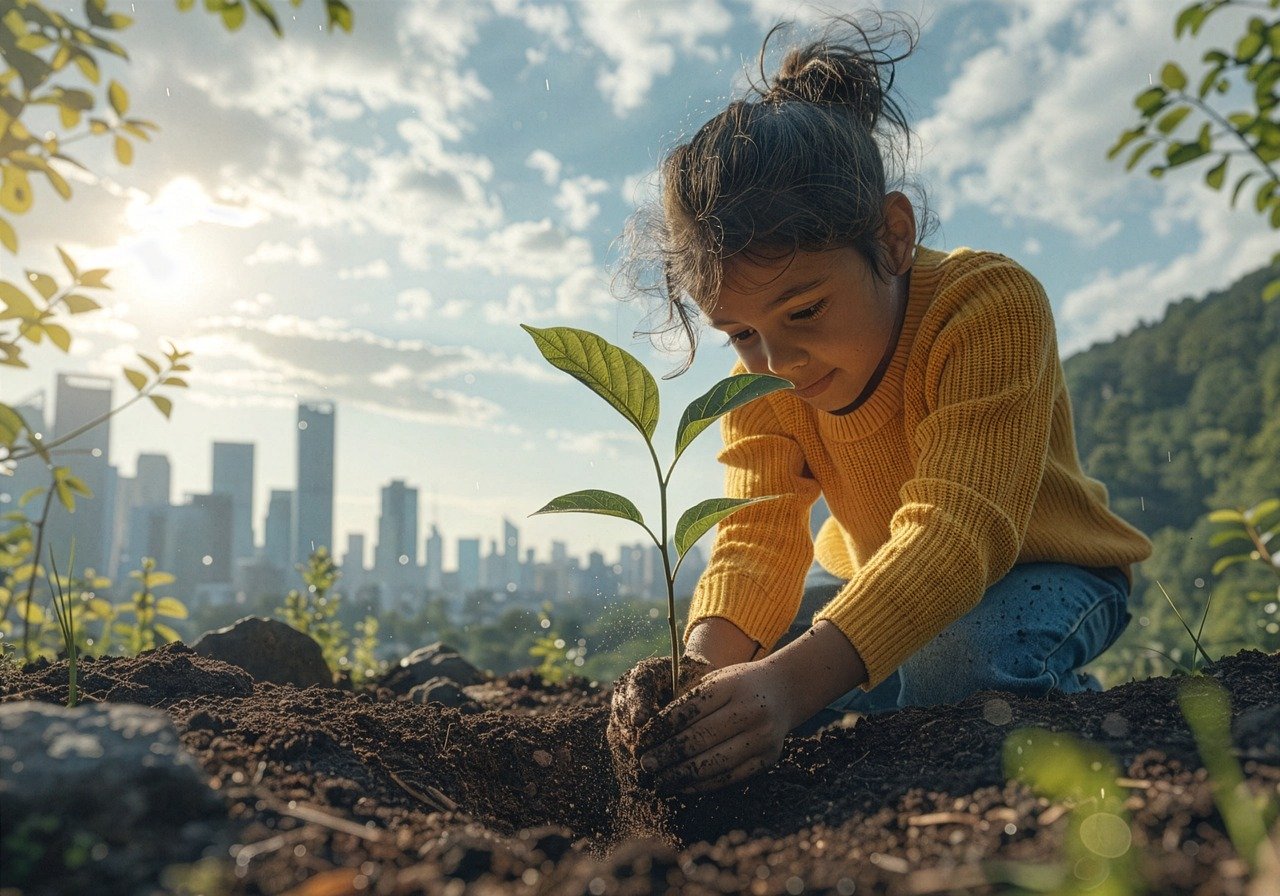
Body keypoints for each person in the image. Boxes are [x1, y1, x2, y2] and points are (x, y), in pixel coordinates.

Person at [611, 16, 1152, 795]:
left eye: (804, 312)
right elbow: (756, 534)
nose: (778, 363)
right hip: (887, 584)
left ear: (892, 238)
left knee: (951, 665)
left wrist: (792, 689)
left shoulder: (985, 306)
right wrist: (700, 671)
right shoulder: (764, 384)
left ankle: (1090, 734)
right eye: (739, 333)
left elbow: (956, 531)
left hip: (1047, 569)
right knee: (757, 685)